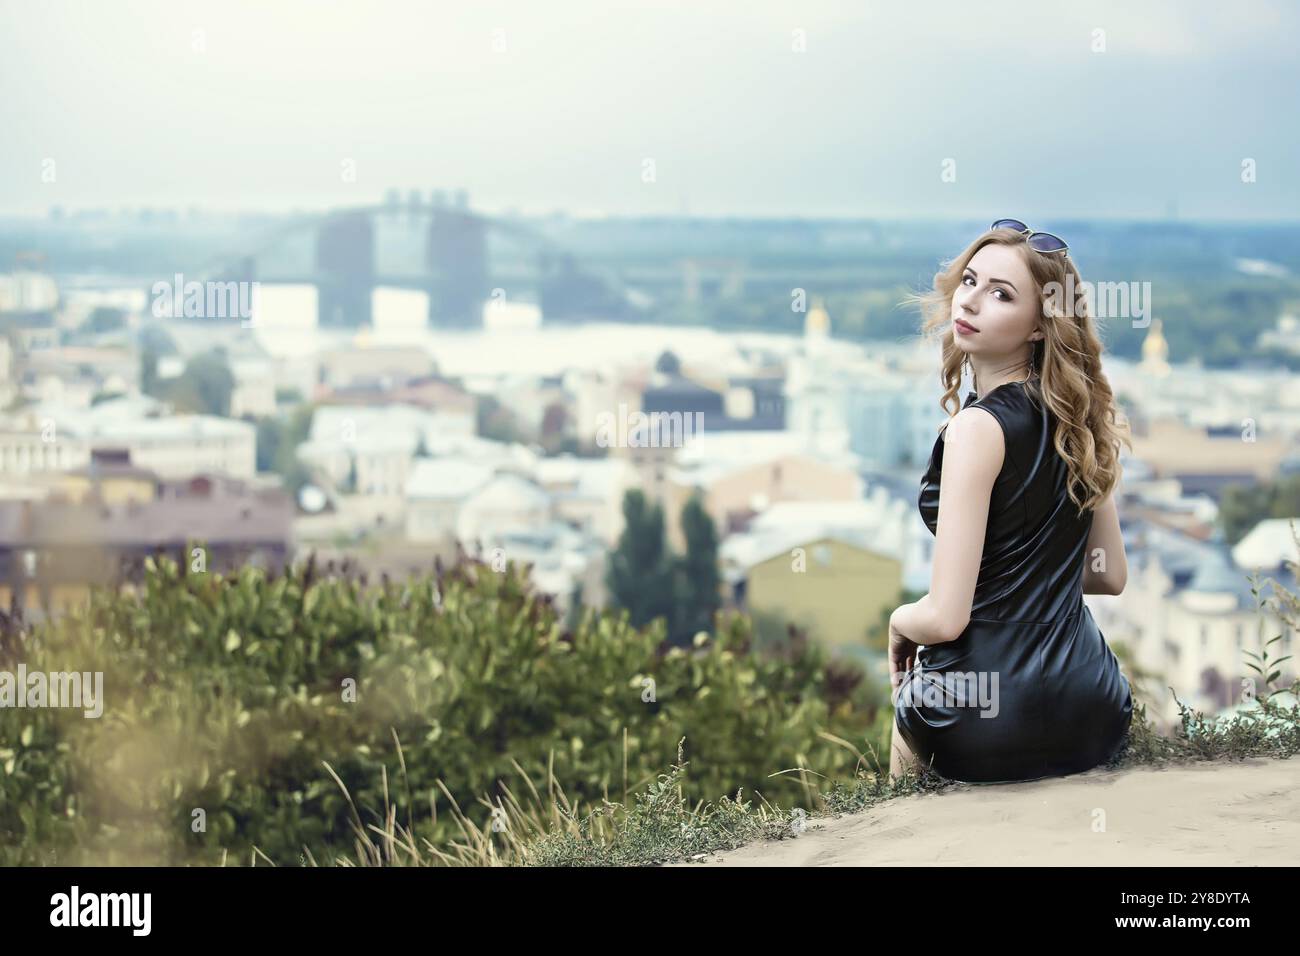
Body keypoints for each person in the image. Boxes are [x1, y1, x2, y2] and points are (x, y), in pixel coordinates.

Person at [889, 219, 1134, 784]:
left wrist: (900, 621)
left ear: (1040, 327)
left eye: (1001, 294)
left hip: (978, 715)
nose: (971, 301)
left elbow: (945, 618)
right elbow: (1109, 575)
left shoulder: (976, 429)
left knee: (900, 818)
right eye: (970, 281)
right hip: (1090, 705)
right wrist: (1031, 578)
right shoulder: (1080, 422)